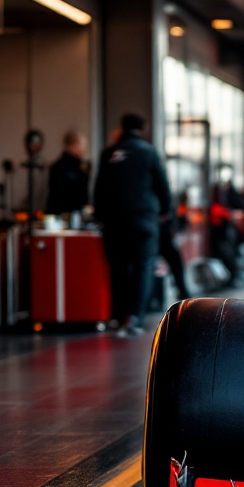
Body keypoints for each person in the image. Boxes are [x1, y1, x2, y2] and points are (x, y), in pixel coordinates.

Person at [93, 113, 171, 336]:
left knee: (117, 269)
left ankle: (117, 317)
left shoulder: (108, 153)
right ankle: (135, 318)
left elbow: (99, 189)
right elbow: (162, 186)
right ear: (142, 129)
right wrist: (166, 212)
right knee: (143, 267)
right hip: (143, 222)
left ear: (122, 128)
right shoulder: (148, 152)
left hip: (114, 222)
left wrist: (100, 216)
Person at [46, 130, 90, 215]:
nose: (83, 148)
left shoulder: (84, 165)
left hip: (79, 211)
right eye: (80, 145)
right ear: (71, 146)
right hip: (62, 211)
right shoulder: (59, 167)